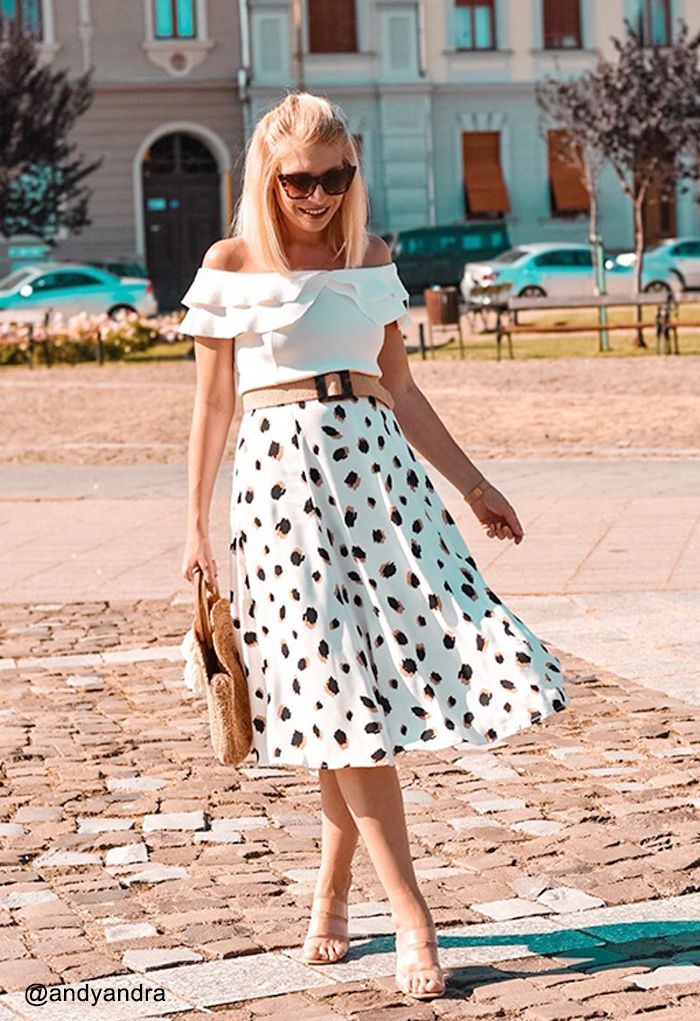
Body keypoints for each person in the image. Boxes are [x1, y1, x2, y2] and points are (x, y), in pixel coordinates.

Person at [177, 91, 570, 1001]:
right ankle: (411, 911)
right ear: (267, 177)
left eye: (334, 177)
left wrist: (475, 485)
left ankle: (332, 890)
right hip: (280, 495)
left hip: (383, 486)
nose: (316, 196)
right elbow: (208, 409)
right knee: (334, 693)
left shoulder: (372, 258)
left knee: (356, 700)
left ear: (352, 173)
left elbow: (401, 387)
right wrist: (194, 527)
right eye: (298, 180)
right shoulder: (231, 265)